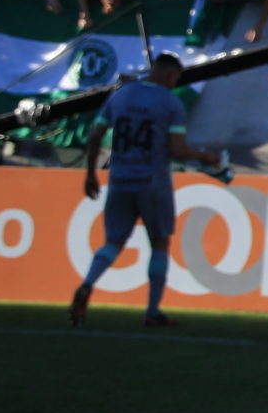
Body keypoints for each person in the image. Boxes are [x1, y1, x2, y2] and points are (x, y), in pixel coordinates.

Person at [68, 53, 226, 327]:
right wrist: (206, 156)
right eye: (176, 78)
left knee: (113, 242)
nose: (175, 83)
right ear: (168, 75)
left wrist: (91, 174)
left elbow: (96, 135)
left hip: (119, 179)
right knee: (160, 242)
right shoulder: (170, 102)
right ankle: (152, 311)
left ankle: (87, 283)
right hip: (152, 182)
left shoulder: (121, 95)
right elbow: (177, 150)